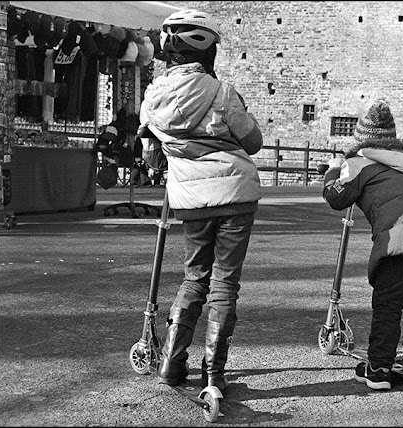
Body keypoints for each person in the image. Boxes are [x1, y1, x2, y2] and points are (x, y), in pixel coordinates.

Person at [137, 9, 263, 394]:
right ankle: (214, 375)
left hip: (189, 200)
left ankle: (171, 364)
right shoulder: (223, 93)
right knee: (225, 284)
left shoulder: (152, 98)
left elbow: (152, 158)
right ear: (208, 51)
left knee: (194, 278)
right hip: (236, 196)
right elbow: (253, 143)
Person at [322, 102, 403, 390]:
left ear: (361, 140)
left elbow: (336, 197)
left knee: (388, 304)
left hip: (400, 240)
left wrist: (332, 171)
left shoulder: (359, 163)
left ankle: (379, 367)